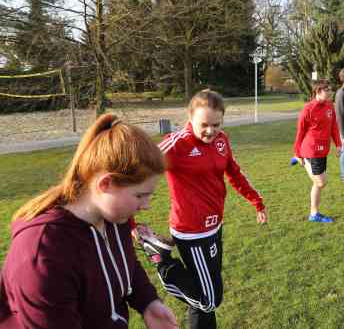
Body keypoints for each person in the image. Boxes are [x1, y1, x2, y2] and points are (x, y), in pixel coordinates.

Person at [0, 114, 178, 329]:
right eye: (140, 195)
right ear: (106, 184)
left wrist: (148, 302)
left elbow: (125, 260)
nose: (146, 205)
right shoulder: (43, 254)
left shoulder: (114, 217)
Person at [135, 89, 267, 329]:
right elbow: (136, 167)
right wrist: (129, 216)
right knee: (208, 300)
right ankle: (161, 259)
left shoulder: (221, 140)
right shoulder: (177, 144)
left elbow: (234, 173)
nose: (210, 131)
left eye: (216, 124)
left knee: (205, 296)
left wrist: (256, 201)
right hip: (191, 232)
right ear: (190, 118)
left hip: (215, 226)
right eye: (204, 124)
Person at [293, 79, 342, 223]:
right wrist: (297, 152)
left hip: (323, 150)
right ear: (318, 91)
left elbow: (333, 126)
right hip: (311, 150)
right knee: (321, 182)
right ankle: (300, 158)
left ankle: (314, 214)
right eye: (326, 90)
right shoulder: (308, 109)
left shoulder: (329, 106)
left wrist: (338, 144)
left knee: (318, 183)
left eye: (329, 89)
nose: (329, 92)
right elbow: (300, 132)